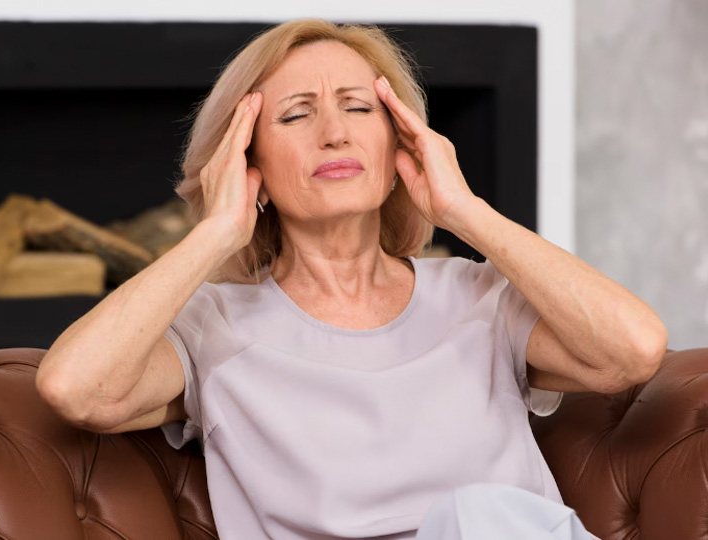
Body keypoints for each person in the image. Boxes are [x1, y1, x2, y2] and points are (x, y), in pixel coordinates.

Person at [36, 19, 668, 540]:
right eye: (295, 116)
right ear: (247, 165)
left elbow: (633, 350)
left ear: (399, 148)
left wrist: (464, 211)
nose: (334, 133)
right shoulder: (212, 325)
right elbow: (75, 389)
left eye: (359, 107)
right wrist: (216, 232)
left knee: (479, 516)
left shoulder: (480, 297)